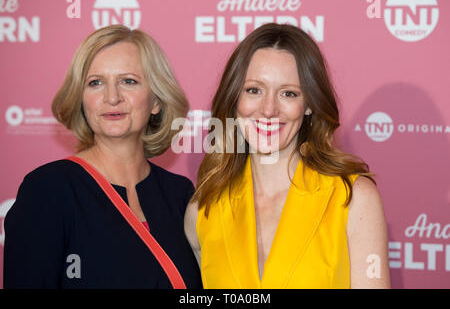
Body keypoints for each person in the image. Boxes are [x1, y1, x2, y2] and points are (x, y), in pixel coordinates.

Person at [184, 23, 390, 289]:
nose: (269, 109)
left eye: (288, 93)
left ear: (308, 105)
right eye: (254, 90)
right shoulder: (203, 210)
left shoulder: (352, 198)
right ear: (234, 98)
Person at [4, 25, 202, 289]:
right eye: (96, 83)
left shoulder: (180, 194)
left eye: (128, 81)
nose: (112, 97)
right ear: (82, 99)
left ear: (156, 101)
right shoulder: (48, 190)